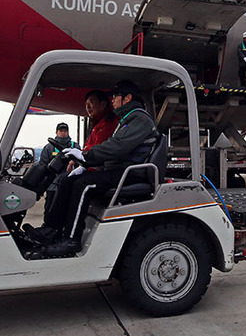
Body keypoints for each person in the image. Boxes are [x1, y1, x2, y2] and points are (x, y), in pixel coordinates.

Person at [39, 79, 158, 257]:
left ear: (127, 98)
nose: (112, 101)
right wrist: (85, 162)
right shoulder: (128, 119)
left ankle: (72, 239)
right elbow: (114, 147)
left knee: (83, 185)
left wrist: (86, 156)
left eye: (115, 97)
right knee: (68, 181)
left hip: (130, 172)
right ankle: (52, 230)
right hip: (119, 170)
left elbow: (118, 146)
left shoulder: (139, 118)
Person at [39, 90, 118, 230]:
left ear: (103, 103)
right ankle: (52, 228)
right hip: (90, 167)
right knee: (63, 181)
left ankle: (70, 235)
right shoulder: (97, 124)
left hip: (103, 170)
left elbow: (98, 152)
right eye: (86, 103)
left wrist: (81, 160)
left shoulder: (109, 123)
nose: (88, 107)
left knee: (78, 185)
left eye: (92, 102)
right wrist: (76, 161)